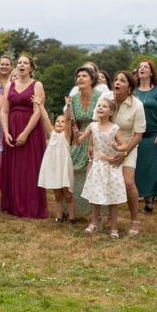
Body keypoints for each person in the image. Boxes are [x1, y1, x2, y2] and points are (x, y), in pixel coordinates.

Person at [95, 71, 146, 236]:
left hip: (128, 146)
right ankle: (104, 217)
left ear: (129, 87)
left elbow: (138, 134)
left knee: (128, 182)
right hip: (105, 145)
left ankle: (135, 219)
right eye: (116, 79)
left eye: (122, 81)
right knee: (103, 180)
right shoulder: (105, 97)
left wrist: (124, 153)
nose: (116, 82)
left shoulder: (137, 105)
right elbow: (96, 122)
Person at [0, 55, 47, 219]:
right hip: (11, 128)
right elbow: (4, 111)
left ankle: (30, 205)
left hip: (30, 130)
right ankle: (13, 204)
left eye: (25, 63)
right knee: (13, 167)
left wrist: (25, 133)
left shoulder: (37, 85)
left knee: (28, 168)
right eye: (19, 62)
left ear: (31, 68)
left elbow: (37, 111)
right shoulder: (9, 85)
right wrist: (5, 132)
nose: (21, 65)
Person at [74, 98, 127, 238]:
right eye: (99, 106)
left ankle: (114, 228)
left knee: (113, 199)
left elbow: (125, 145)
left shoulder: (115, 128)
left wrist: (118, 147)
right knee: (95, 197)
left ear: (111, 112)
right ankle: (94, 223)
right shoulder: (92, 126)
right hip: (97, 166)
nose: (100, 108)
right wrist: (75, 134)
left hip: (111, 167)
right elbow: (79, 142)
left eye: (104, 106)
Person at [134, 59, 157, 217]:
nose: (142, 69)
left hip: (156, 136)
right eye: (140, 67)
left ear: (151, 72)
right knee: (144, 171)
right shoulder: (133, 91)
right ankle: (148, 204)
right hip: (140, 137)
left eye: (145, 67)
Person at [66, 65, 102, 216]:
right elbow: (71, 122)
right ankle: (77, 210)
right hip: (80, 139)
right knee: (74, 170)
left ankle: (97, 213)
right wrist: (69, 143)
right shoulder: (73, 99)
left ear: (92, 80)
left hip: (99, 138)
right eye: (78, 76)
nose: (80, 78)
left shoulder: (100, 96)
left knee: (96, 174)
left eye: (84, 76)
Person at [34, 95, 74, 223]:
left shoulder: (66, 135)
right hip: (53, 166)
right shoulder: (52, 134)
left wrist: (68, 106)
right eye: (57, 121)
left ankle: (72, 217)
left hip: (63, 166)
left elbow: (68, 120)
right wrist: (40, 106)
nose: (60, 123)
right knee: (57, 194)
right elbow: (45, 118)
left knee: (67, 194)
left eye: (62, 122)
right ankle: (59, 216)